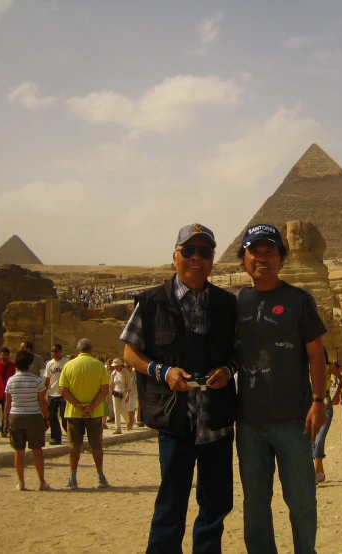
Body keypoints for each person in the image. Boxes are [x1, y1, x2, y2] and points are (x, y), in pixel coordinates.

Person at [121, 223, 237, 554]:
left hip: (216, 422)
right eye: (189, 251)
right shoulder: (151, 302)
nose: (196, 258)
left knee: (215, 507)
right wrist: (162, 371)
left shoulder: (228, 304)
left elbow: (240, 352)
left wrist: (228, 371)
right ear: (175, 256)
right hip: (175, 422)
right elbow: (129, 351)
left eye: (205, 252)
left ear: (213, 258)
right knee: (171, 506)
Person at [231, 223, 327, 554]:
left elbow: (317, 353)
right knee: (255, 503)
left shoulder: (299, 299)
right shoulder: (236, 303)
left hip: (293, 419)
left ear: (281, 258)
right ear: (243, 258)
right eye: (254, 252)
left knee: (301, 499)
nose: (261, 258)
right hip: (249, 422)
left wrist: (318, 400)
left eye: (269, 251)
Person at [60, 338, 111, 490]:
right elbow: (104, 391)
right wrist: (91, 407)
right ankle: (100, 477)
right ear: (91, 349)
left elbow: (63, 391)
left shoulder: (68, 365)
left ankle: (73, 477)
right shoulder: (99, 366)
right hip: (95, 413)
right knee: (96, 445)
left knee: (74, 445)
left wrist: (79, 406)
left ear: (78, 350)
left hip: (74, 412)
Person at [4, 350, 50, 491]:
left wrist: (5, 421)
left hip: (15, 415)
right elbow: (42, 401)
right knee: (37, 451)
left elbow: (7, 403)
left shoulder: (11, 380)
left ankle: (21, 482)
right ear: (30, 365)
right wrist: (46, 417)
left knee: (19, 451)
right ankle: (42, 482)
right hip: (33, 416)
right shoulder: (36, 380)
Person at [313, 352, 342, 484]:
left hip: (326, 405)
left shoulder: (329, 367)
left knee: (319, 440)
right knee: (313, 441)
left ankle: (314, 474)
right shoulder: (308, 367)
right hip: (311, 408)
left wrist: (337, 394)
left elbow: (341, 378)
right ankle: (320, 473)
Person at [44, 344, 69, 445]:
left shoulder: (66, 363)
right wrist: (45, 391)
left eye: (56, 351)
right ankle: (56, 437)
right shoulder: (49, 364)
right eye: (53, 351)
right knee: (52, 417)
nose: (54, 353)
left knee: (64, 416)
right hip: (52, 394)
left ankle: (71, 435)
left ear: (61, 352)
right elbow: (47, 378)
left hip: (63, 394)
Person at [0, 348, 16, 436]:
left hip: (7, 391)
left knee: (6, 410)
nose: (4, 356)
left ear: (8, 355)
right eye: (3, 354)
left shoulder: (12, 366)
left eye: (6, 355)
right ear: (0, 355)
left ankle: (4, 429)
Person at [109, 358, 132, 434]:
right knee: (116, 410)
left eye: (117, 366)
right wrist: (110, 392)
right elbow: (111, 384)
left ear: (120, 365)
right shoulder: (113, 373)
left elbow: (129, 385)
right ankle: (118, 428)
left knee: (124, 410)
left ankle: (127, 421)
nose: (115, 367)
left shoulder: (126, 373)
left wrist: (128, 395)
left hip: (124, 393)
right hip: (115, 393)